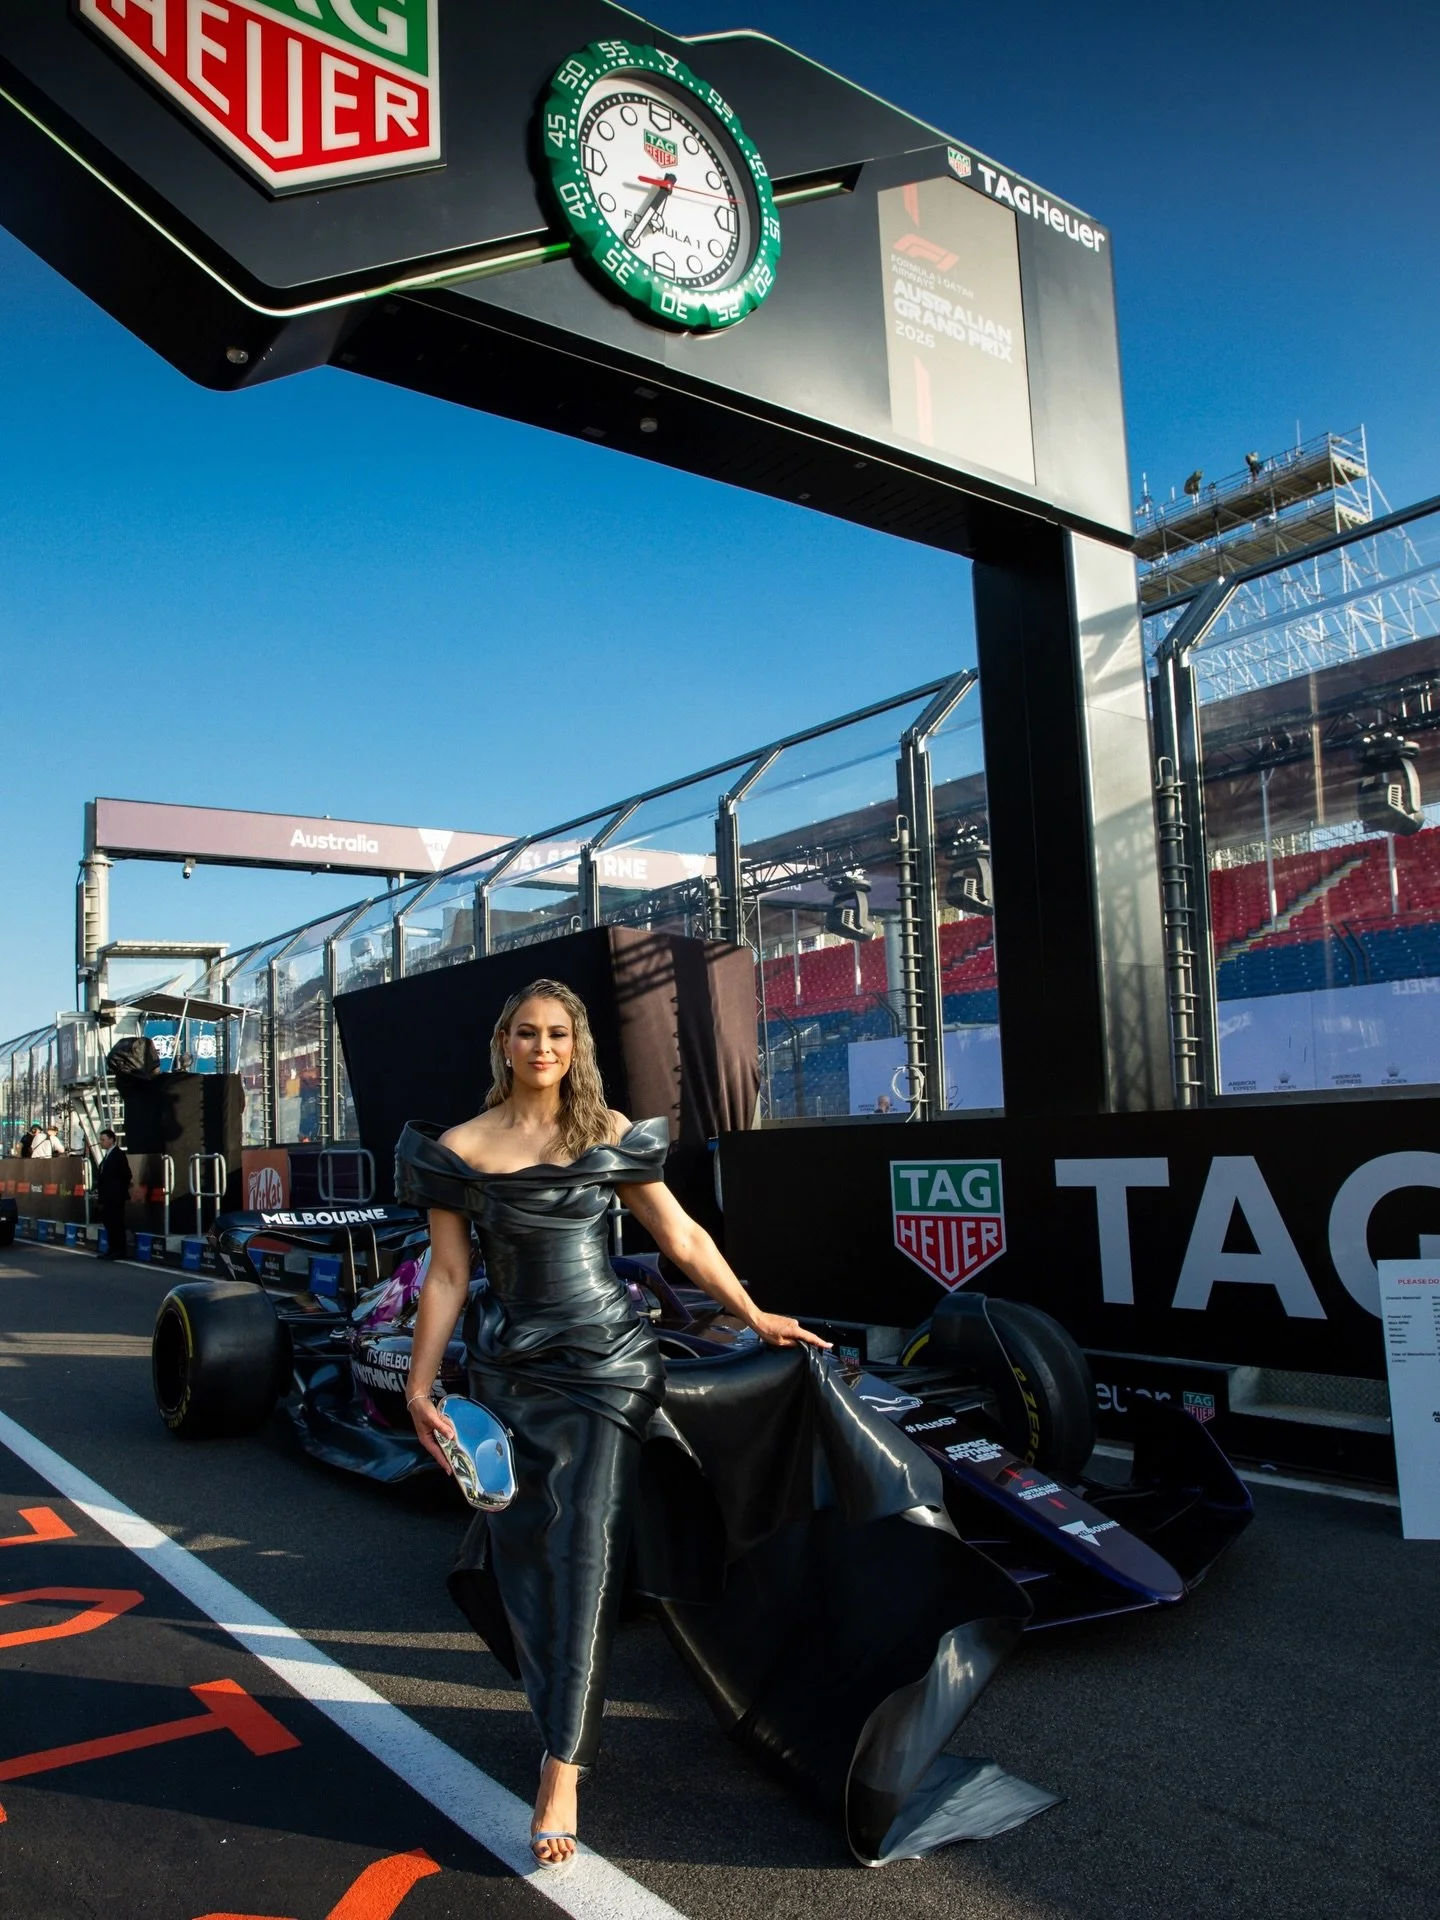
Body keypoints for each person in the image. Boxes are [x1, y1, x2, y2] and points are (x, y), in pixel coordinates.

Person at [396, 980, 831, 1868]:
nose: (542, 1048)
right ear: (503, 1043)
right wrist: (420, 1386)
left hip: (607, 1368)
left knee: (583, 1551)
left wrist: (754, 1315)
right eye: (527, 1033)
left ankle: (563, 1768)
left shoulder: (607, 1134)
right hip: (511, 1374)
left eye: (558, 1034)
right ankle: (558, 1710)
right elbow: (446, 1275)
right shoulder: (458, 1149)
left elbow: (682, 1240)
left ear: (576, 1044)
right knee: (530, 1555)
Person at [94, 1129, 131, 1261]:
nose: (101, 1142)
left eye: (103, 1140)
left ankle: (119, 1250)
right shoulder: (107, 1156)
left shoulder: (118, 1155)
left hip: (115, 1196)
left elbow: (126, 1175)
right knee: (109, 1223)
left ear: (111, 1140)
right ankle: (112, 1249)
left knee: (116, 1223)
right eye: (101, 1140)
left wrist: (116, 1189)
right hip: (107, 1196)